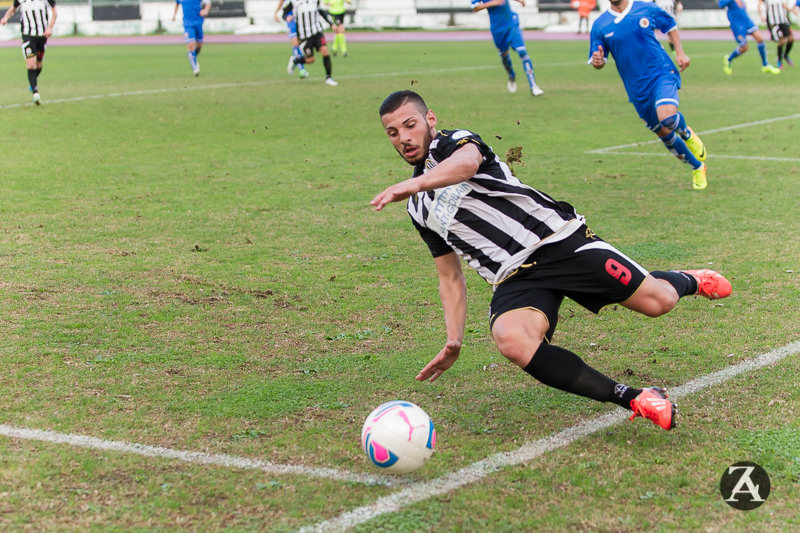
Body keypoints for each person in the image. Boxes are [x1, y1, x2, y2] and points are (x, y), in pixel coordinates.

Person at [371, 90, 733, 431]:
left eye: (410, 125)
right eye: (392, 132)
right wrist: (454, 339)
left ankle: (689, 280)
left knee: (660, 302)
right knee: (511, 340)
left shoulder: (454, 142)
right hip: (514, 278)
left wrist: (414, 184)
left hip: (559, 242)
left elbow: (466, 165)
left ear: (430, 119)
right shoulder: (418, 208)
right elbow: (449, 276)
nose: (403, 137)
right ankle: (635, 398)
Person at [589, 0, 708, 190]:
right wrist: (597, 61)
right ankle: (698, 167)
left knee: (667, 118)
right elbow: (598, 59)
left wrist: (680, 52)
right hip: (636, 88)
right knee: (664, 133)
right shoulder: (600, 25)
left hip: (661, 72)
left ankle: (687, 133)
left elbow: (670, 25)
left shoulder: (646, 8)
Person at [471, 0, 543, 96]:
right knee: (504, 56)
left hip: (511, 23)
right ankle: (511, 75)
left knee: (522, 52)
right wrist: (493, 3)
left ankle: (533, 86)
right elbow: (475, 8)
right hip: (497, 29)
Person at [1, 0, 57, 105]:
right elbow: (13, 8)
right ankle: (35, 92)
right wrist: (6, 17)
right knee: (31, 64)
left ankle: (32, 83)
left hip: (42, 36)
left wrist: (50, 28)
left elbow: (55, 12)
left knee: (38, 64)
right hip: (28, 36)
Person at [719, 0, 781, 74]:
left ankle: (765, 65)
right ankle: (729, 59)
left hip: (747, 21)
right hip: (737, 26)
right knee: (744, 48)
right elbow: (721, 4)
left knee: (760, 39)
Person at [285, 0, 338, 86]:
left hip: (317, 32)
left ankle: (329, 77)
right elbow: (285, 13)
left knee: (325, 51)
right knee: (310, 60)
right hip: (305, 36)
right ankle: (295, 60)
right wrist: (288, 17)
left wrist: (331, 24)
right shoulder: (294, 2)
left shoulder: (315, 1)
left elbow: (321, 11)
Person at [172, 0, 210, 76]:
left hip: (198, 22)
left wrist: (206, 10)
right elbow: (177, 4)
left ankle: (193, 58)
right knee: (190, 45)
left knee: (199, 47)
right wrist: (174, 15)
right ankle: (195, 67)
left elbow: (208, 2)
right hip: (188, 24)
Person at [274, 0, 309, 79]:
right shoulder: (291, 4)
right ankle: (302, 70)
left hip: (304, 22)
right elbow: (284, 11)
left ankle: (295, 60)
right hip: (292, 22)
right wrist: (282, 15)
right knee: (296, 43)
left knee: (304, 44)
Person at [758, 0, 794, 68]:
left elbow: (783, 5)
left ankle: (785, 55)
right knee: (782, 40)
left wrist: (791, 10)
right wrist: (761, 15)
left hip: (783, 21)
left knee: (791, 38)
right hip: (773, 22)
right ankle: (779, 61)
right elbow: (759, 3)